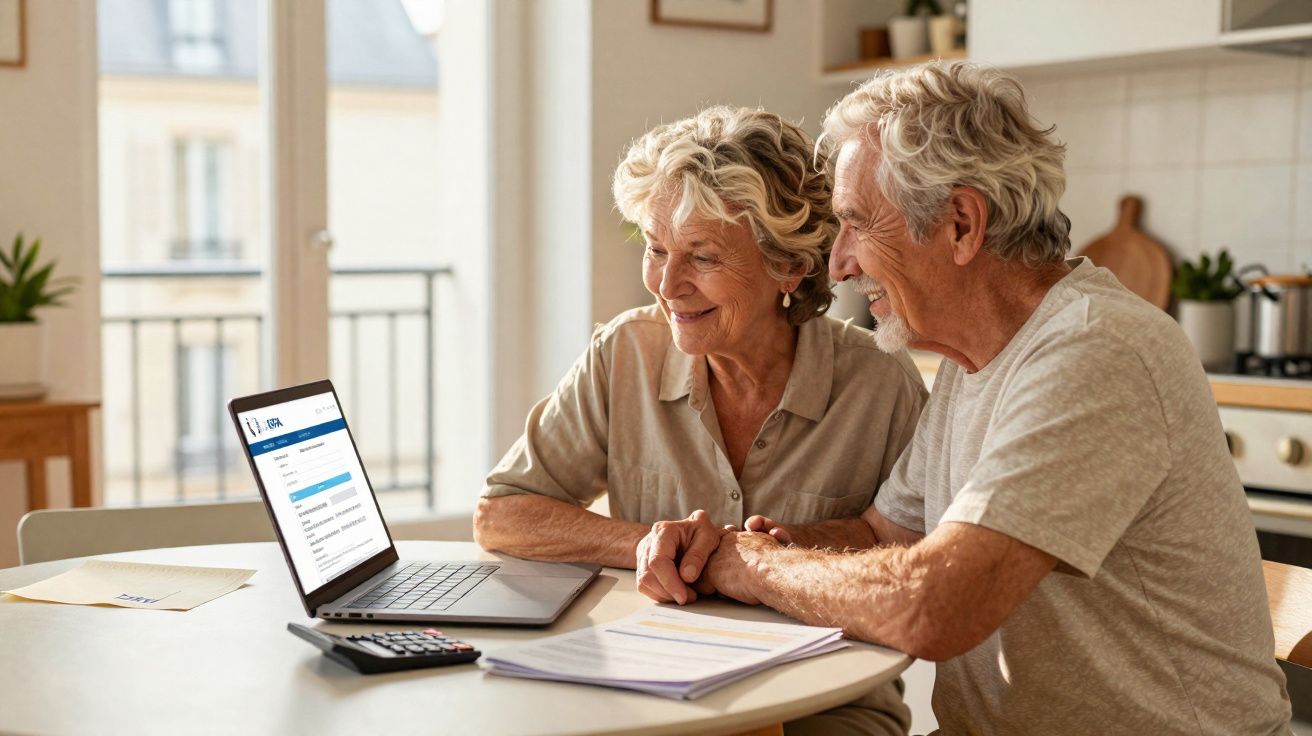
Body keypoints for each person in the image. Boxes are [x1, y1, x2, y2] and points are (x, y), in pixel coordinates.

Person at [638, 63, 1293, 735]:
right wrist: (723, 547)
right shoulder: (974, 358)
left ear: (960, 224)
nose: (837, 264)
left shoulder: (1097, 353)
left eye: (858, 224)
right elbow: (881, 536)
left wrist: (753, 567)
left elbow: (934, 607)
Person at [474, 106, 927, 735]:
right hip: (652, 699)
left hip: (827, 707)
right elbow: (502, 514)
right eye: (656, 249)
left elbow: (919, 558)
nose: (666, 283)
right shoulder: (625, 352)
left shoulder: (880, 384)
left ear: (789, 267)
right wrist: (643, 543)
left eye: (703, 257)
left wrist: (774, 555)